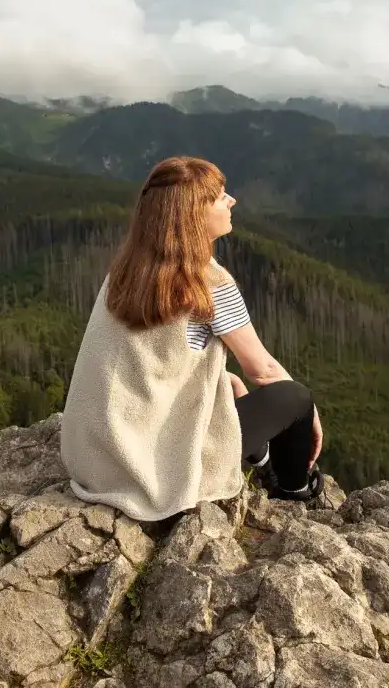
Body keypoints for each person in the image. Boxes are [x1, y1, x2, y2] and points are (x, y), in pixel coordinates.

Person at [59, 155, 325, 522]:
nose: (231, 201)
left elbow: (150, 363)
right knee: (294, 397)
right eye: (219, 196)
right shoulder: (209, 282)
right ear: (194, 214)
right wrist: (311, 417)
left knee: (229, 384)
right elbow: (262, 370)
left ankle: (262, 461)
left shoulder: (126, 270)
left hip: (95, 459)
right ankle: (293, 493)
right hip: (152, 469)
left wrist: (223, 381)